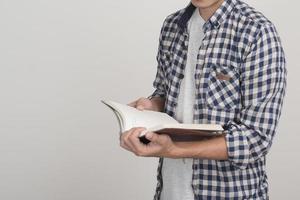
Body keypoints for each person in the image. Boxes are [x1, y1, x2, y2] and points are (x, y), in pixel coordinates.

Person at [120, 0, 287, 199]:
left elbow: (255, 138)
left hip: (228, 193)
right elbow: (167, 94)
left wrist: (176, 150)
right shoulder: (172, 26)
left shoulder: (256, 31)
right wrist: (151, 106)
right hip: (170, 191)